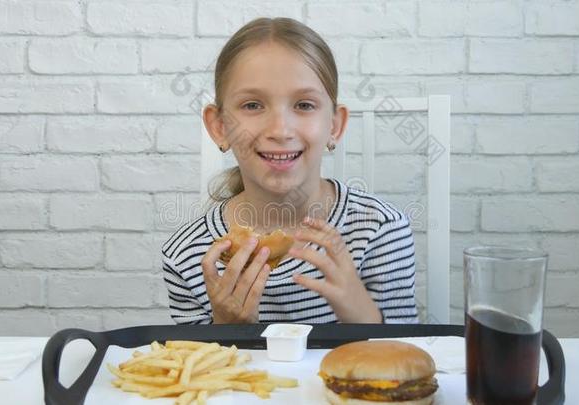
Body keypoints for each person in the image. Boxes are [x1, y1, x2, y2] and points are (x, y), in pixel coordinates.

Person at [162, 17, 417, 325]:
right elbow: (202, 370)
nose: (280, 130)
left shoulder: (380, 231)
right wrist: (227, 331)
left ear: (334, 126)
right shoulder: (188, 256)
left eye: (304, 105)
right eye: (253, 105)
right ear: (219, 127)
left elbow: (403, 359)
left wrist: (361, 313)